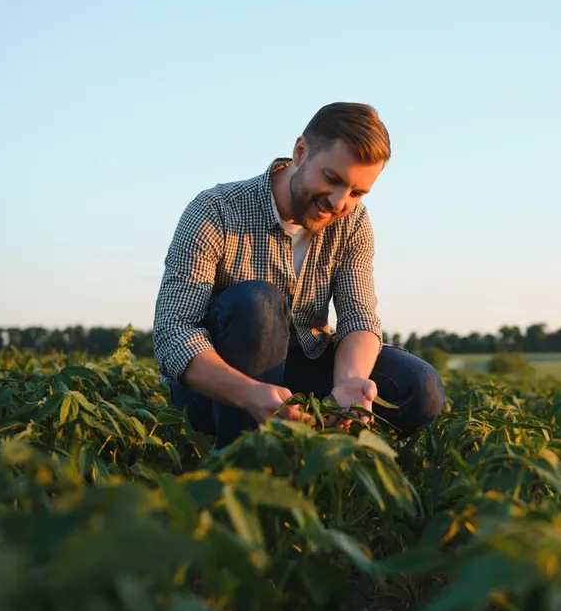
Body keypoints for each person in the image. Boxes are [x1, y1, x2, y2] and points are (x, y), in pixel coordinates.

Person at [152, 102, 445, 449]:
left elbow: (359, 317)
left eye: (357, 192)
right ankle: (241, 459)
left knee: (419, 386)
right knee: (258, 303)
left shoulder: (353, 223)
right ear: (300, 152)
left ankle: (327, 446)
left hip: (302, 367)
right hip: (220, 385)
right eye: (332, 179)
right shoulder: (216, 210)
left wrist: (348, 384)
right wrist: (249, 394)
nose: (339, 201)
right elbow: (173, 331)